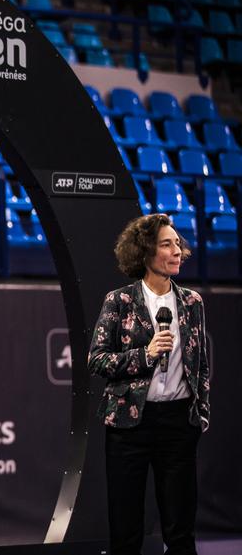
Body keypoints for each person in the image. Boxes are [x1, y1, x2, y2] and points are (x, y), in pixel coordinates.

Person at [88, 213, 210, 555]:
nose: (177, 251)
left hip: (179, 422)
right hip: (130, 425)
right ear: (144, 252)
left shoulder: (192, 302)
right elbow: (97, 359)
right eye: (166, 245)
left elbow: (201, 364)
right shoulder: (120, 301)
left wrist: (200, 414)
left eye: (178, 244)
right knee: (126, 530)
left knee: (181, 531)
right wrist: (145, 354)